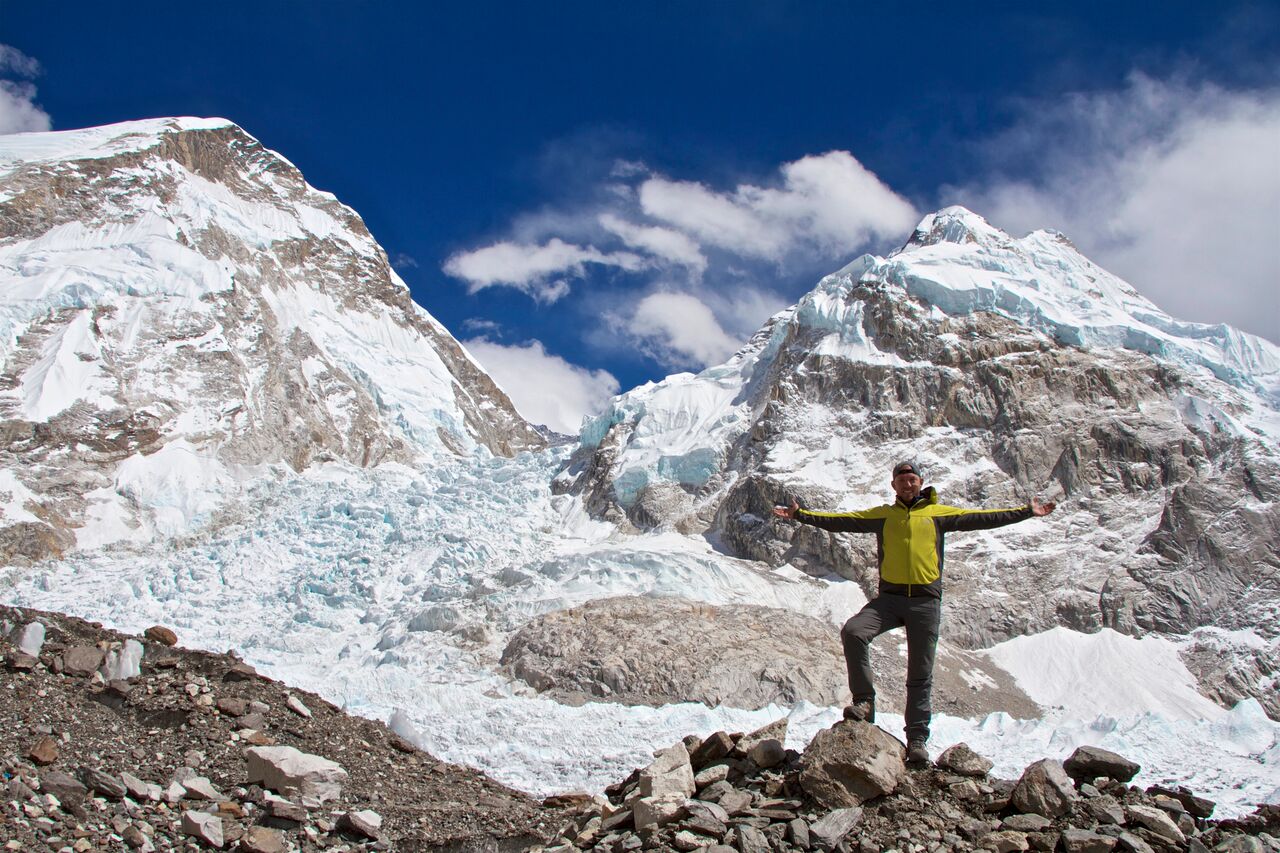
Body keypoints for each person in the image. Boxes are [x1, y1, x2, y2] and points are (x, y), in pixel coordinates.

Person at [772, 460, 1055, 766]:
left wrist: (1026, 512)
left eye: (913, 479)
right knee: (854, 631)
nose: (908, 484)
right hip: (890, 599)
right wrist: (800, 515)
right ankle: (865, 702)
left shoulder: (937, 514)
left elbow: (982, 517)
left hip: (925, 602)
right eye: (902, 480)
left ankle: (917, 739)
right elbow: (843, 520)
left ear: (921, 482)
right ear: (893, 485)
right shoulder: (884, 515)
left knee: (920, 674)